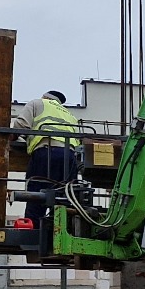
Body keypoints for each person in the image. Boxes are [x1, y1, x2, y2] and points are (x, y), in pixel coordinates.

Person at [21, 90, 83, 232]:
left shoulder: (37, 103)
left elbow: (21, 125)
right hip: (69, 158)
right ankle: (59, 234)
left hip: (47, 153)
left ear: (45, 96)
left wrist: (12, 137)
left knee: (36, 196)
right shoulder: (70, 115)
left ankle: (33, 235)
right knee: (63, 200)